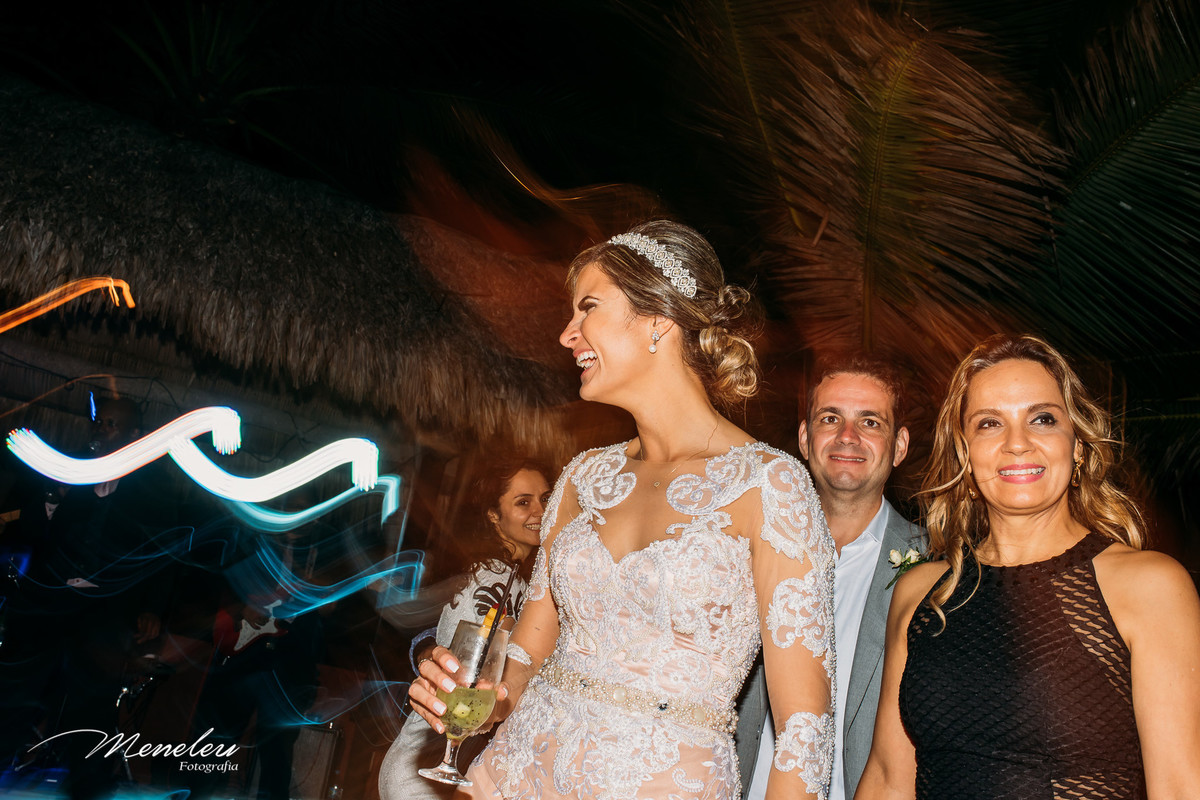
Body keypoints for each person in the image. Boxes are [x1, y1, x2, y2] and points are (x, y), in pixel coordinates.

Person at [409, 219, 835, 800]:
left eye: (587, 308)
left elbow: (805, 734)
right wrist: (471, 700)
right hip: (514, 778)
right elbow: (524, 661)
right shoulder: (583, 477)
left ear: (658, 318)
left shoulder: (770, 486)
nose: (568, 334)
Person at [856, 333, 1200, 799]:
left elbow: (1180, 787)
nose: (1017, 444)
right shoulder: (921, 595)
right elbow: (886, 778)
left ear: (1077, 445)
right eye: (990, 424)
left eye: (1042, 419)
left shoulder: (1150, 587)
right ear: (965, 453)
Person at [739, 356, 923, 800]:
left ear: (899, 446)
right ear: (805, 438)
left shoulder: (939, 570)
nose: (848, 436)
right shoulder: (741, 551)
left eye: (870, 422)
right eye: (830, 418)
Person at [379, 458, 552, 800]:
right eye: (523, 502)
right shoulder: (493, 578)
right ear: (493, 516)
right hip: (435, 761)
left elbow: (432, 636)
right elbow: (468, 660)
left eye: (545, 499)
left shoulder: (510, 576)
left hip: (452, 761)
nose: (539, 511)